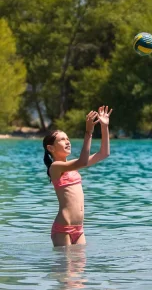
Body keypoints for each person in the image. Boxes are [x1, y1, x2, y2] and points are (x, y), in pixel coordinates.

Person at [42, 106, 112, 247]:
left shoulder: (73, 166)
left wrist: (104, 127)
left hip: (79, 229)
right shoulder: (55, 167)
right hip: (64, 228)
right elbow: (83, 161)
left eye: (68, 138)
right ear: (51, 148)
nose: (68, 141)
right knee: (65, 268)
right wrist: (88, 132)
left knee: (80, 268)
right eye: (62, 140)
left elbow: (104, 153)